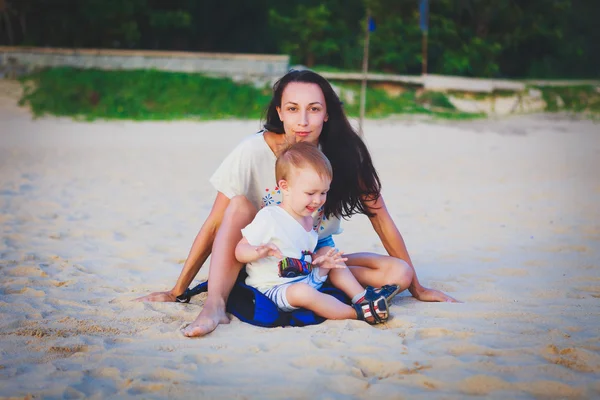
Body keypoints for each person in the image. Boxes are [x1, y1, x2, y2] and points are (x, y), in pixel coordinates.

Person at [135, 69, 458, 338]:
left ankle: (337, 288)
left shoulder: (345, 154)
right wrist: (179, 289)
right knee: (239, 206)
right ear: (279, 112)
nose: (303, 121)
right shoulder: (252, 152)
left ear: (327, 112)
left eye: (314, 109)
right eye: (292, 109)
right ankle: (215, 305)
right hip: (267, 256)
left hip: (315, 252)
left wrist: (417, 288)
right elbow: (215, 223)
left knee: (398, 273)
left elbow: (381, 217)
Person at [235, 142, 389, 325]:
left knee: (329, 255)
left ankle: (361, 298)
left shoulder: (309, 219)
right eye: (310, 193)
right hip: (275, 288)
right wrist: (259, 251)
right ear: (285, 187)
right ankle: (356, 314)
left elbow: (302, 254)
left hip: (306, 278)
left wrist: (321, 261)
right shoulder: (270, 217)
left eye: (323, 192)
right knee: (303, 293)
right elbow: (239, 250)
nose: (318, 200)